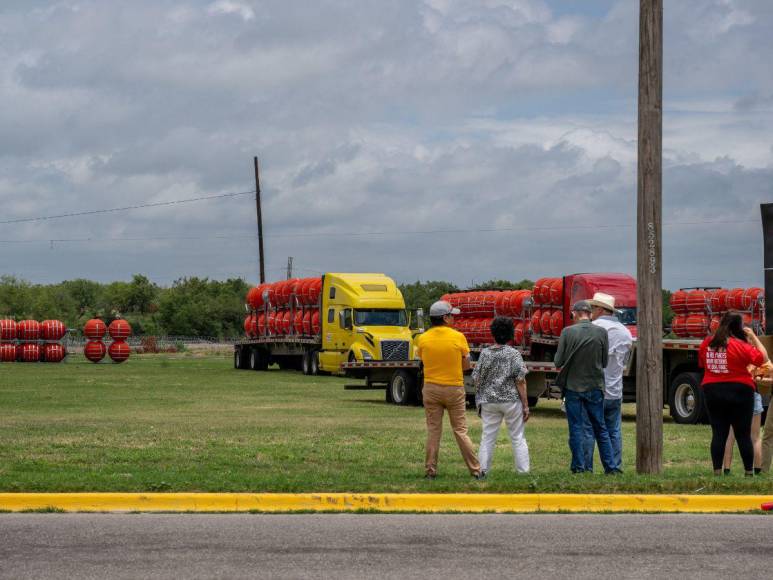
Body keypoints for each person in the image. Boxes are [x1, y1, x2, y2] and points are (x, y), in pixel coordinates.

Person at [415, 300, 481, 480]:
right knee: (460, 430)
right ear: (445, 318)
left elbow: (422, 360)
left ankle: (430, 471)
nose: (453, 318)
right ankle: (475, 470)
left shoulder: (423, 338)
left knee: (433, 430)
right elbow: (466, 365)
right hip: (454, 388)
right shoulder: (458, 337)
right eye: (452, 315)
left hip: (430, 388)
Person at [699, 311, 769, 476]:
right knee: (743, 434)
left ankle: (717, 472)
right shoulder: (740, 345)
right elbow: (763, 358)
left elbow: (703, 364)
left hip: (712, 390)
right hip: (740, 391)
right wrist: (753, 336)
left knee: (718, 433)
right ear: (738, 327)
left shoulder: (707, 343)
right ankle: (748, 472)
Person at [554, 300, 617, 474]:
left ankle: (579, 467)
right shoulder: (601, 332)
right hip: (595, 386)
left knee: (576, 428)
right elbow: (604, 362)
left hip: (573, 387)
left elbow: (557, 361)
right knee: (601, 428)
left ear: (574, 313)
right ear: (589, 314)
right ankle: (611, 467)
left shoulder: (567, 332)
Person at [581, 292, 633, 472]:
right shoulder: (625, 332)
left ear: (601, 310)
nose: (590, 311)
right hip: (615, 389)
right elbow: (624, 363)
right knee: (613, 431)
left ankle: (586, 468)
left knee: (588, 430)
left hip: (593, 387)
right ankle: (614, 467)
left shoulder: (592, 328)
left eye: (593, 308)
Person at [473, 317, 530, 477]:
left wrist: (480, 396)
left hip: (489, 401)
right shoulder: (514, 354)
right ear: (511, 334)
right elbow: (520, 380)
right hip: (511, 401)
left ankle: (482, 470)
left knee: (488, 437)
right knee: (517, 437)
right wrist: (525, 405)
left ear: (493, 333)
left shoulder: (485, 353)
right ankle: (523, 471)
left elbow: (476, 378)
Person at [721, 389, 764, 475]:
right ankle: (758, 470)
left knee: (730, 437)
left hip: (734, 393)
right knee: (755, 437)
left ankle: (727, 469)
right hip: (753, 393)